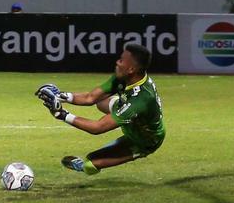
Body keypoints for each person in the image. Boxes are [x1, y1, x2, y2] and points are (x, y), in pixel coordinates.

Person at [35, 42, 165, 175]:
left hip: (144, 139)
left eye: (121, 60)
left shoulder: (141, 99)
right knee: (100, 101)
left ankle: (138, 151)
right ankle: (123, 115)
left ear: (131, 69)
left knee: (89, 164)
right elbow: (90, 97)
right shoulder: (126, 77)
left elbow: (98, 127)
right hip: (130, 112)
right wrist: (60, 96)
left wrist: (62, 114)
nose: (117, 62)